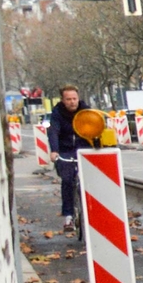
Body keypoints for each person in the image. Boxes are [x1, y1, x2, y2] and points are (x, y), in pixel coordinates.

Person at [47, 85, 85, 236]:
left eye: (74, 98)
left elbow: (96, 127)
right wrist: (55, 151)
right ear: (62, 100)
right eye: (68, 99)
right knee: (68, 180)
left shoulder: (86, 111)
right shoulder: (57, 114)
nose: (72, 102)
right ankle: (69, 216)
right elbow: (54, 131)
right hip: (65, 151)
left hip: (84, 149)